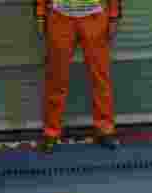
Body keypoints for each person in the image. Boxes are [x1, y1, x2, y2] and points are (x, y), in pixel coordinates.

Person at [35, 0, 121, 153]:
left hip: (94, 17)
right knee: (56, 78)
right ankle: (51, 132)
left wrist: (114, 15)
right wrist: (40, 13)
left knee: (100, 77)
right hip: (60, 17)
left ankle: (105, 129)